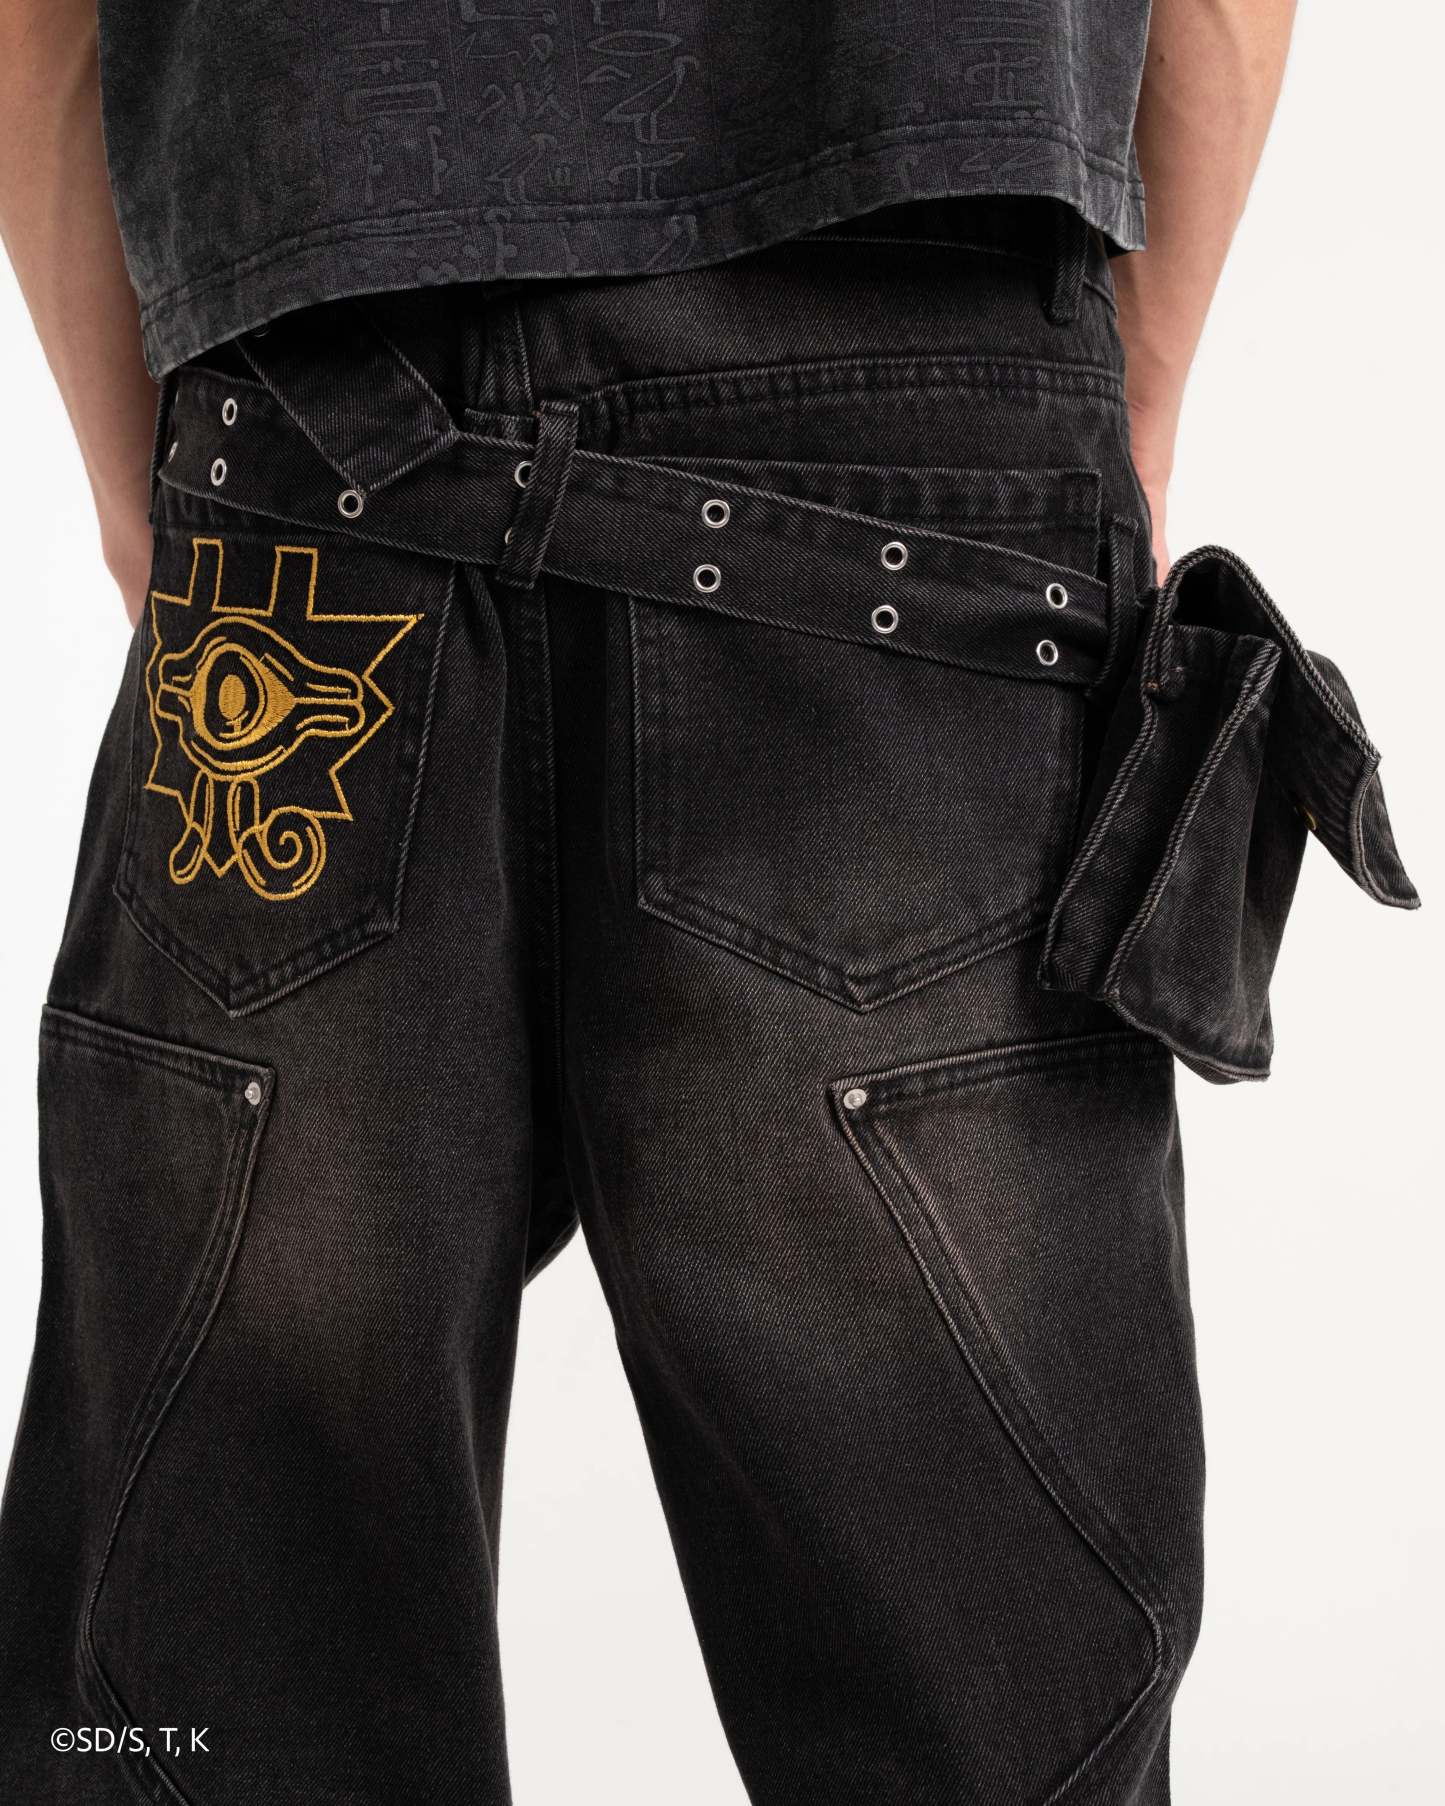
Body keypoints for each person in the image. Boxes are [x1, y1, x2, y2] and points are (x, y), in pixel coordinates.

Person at [0, 3, 1416, 1802]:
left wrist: (146, 472)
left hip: (306, 434)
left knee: (202, 1700)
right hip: (927, 416)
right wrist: (1128, 403)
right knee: (989, 1702)